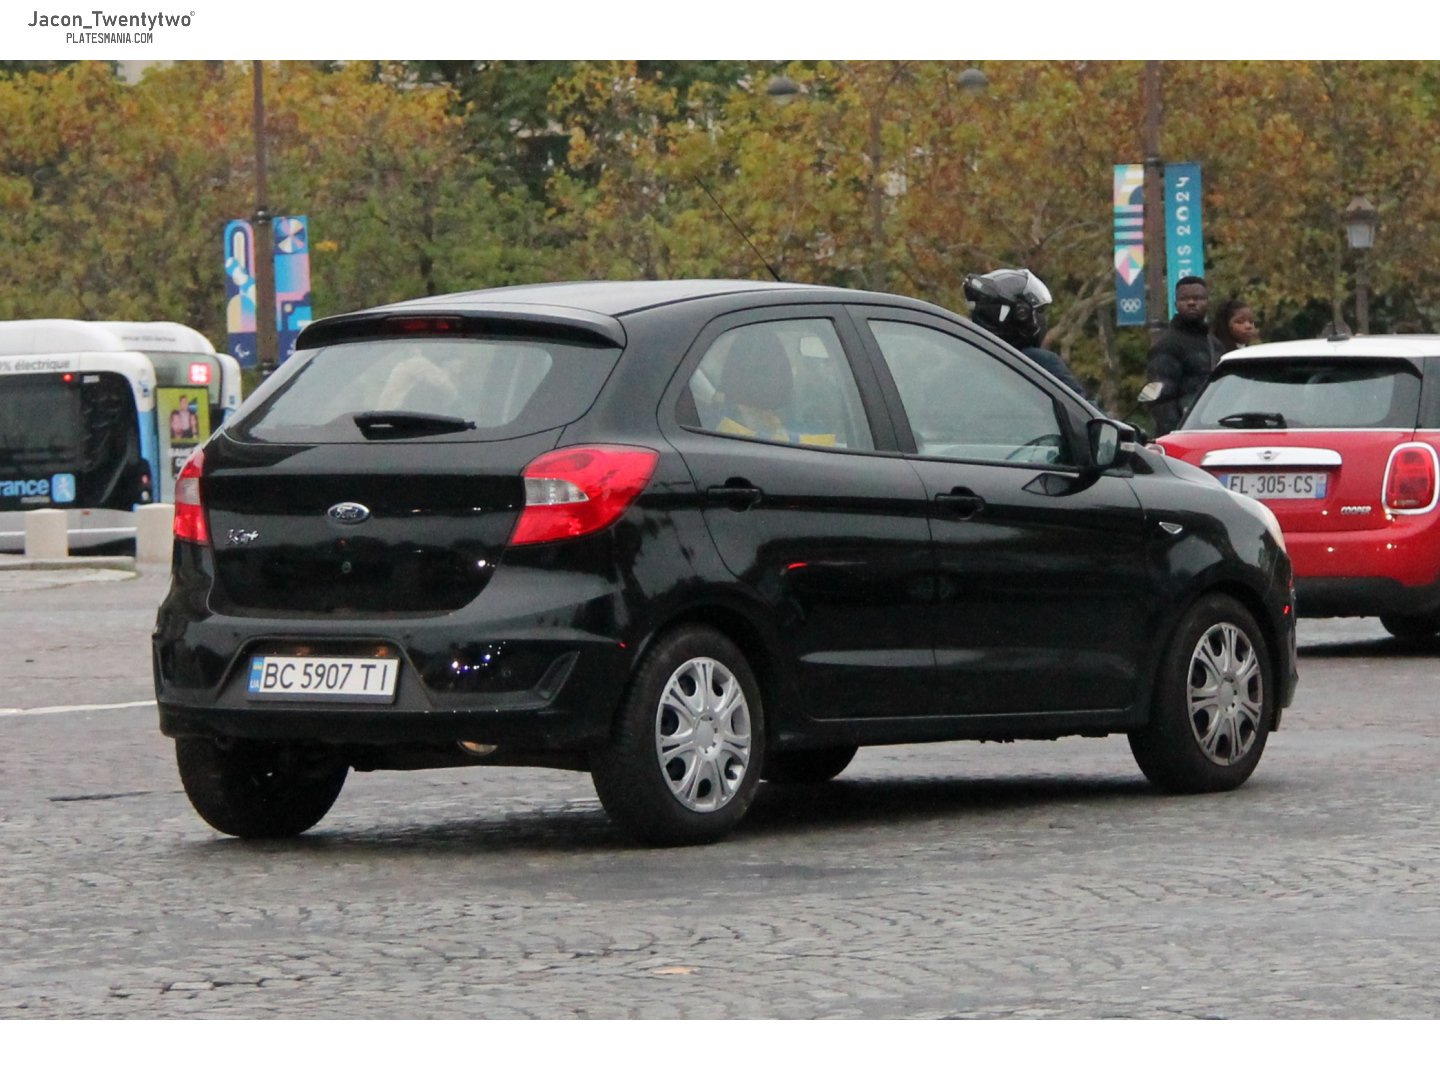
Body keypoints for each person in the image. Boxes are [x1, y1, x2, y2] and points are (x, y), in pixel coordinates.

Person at [963, 268, 1089, 398]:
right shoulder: (1040, 362)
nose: (1041, 318)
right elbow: (1090, 415)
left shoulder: (958, 357)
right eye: (1039, 311)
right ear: (1021, 315)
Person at [1141, 275, 1220, 436]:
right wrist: (1177, 433)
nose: (1191, 303)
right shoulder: (1167, 345)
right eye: (1184, 298)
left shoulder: (1215, 344)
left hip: (1215, 429)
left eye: (1198, 298)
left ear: (1207, 302)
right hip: (1183, 434)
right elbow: (1160, 400)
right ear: (1176, 304)